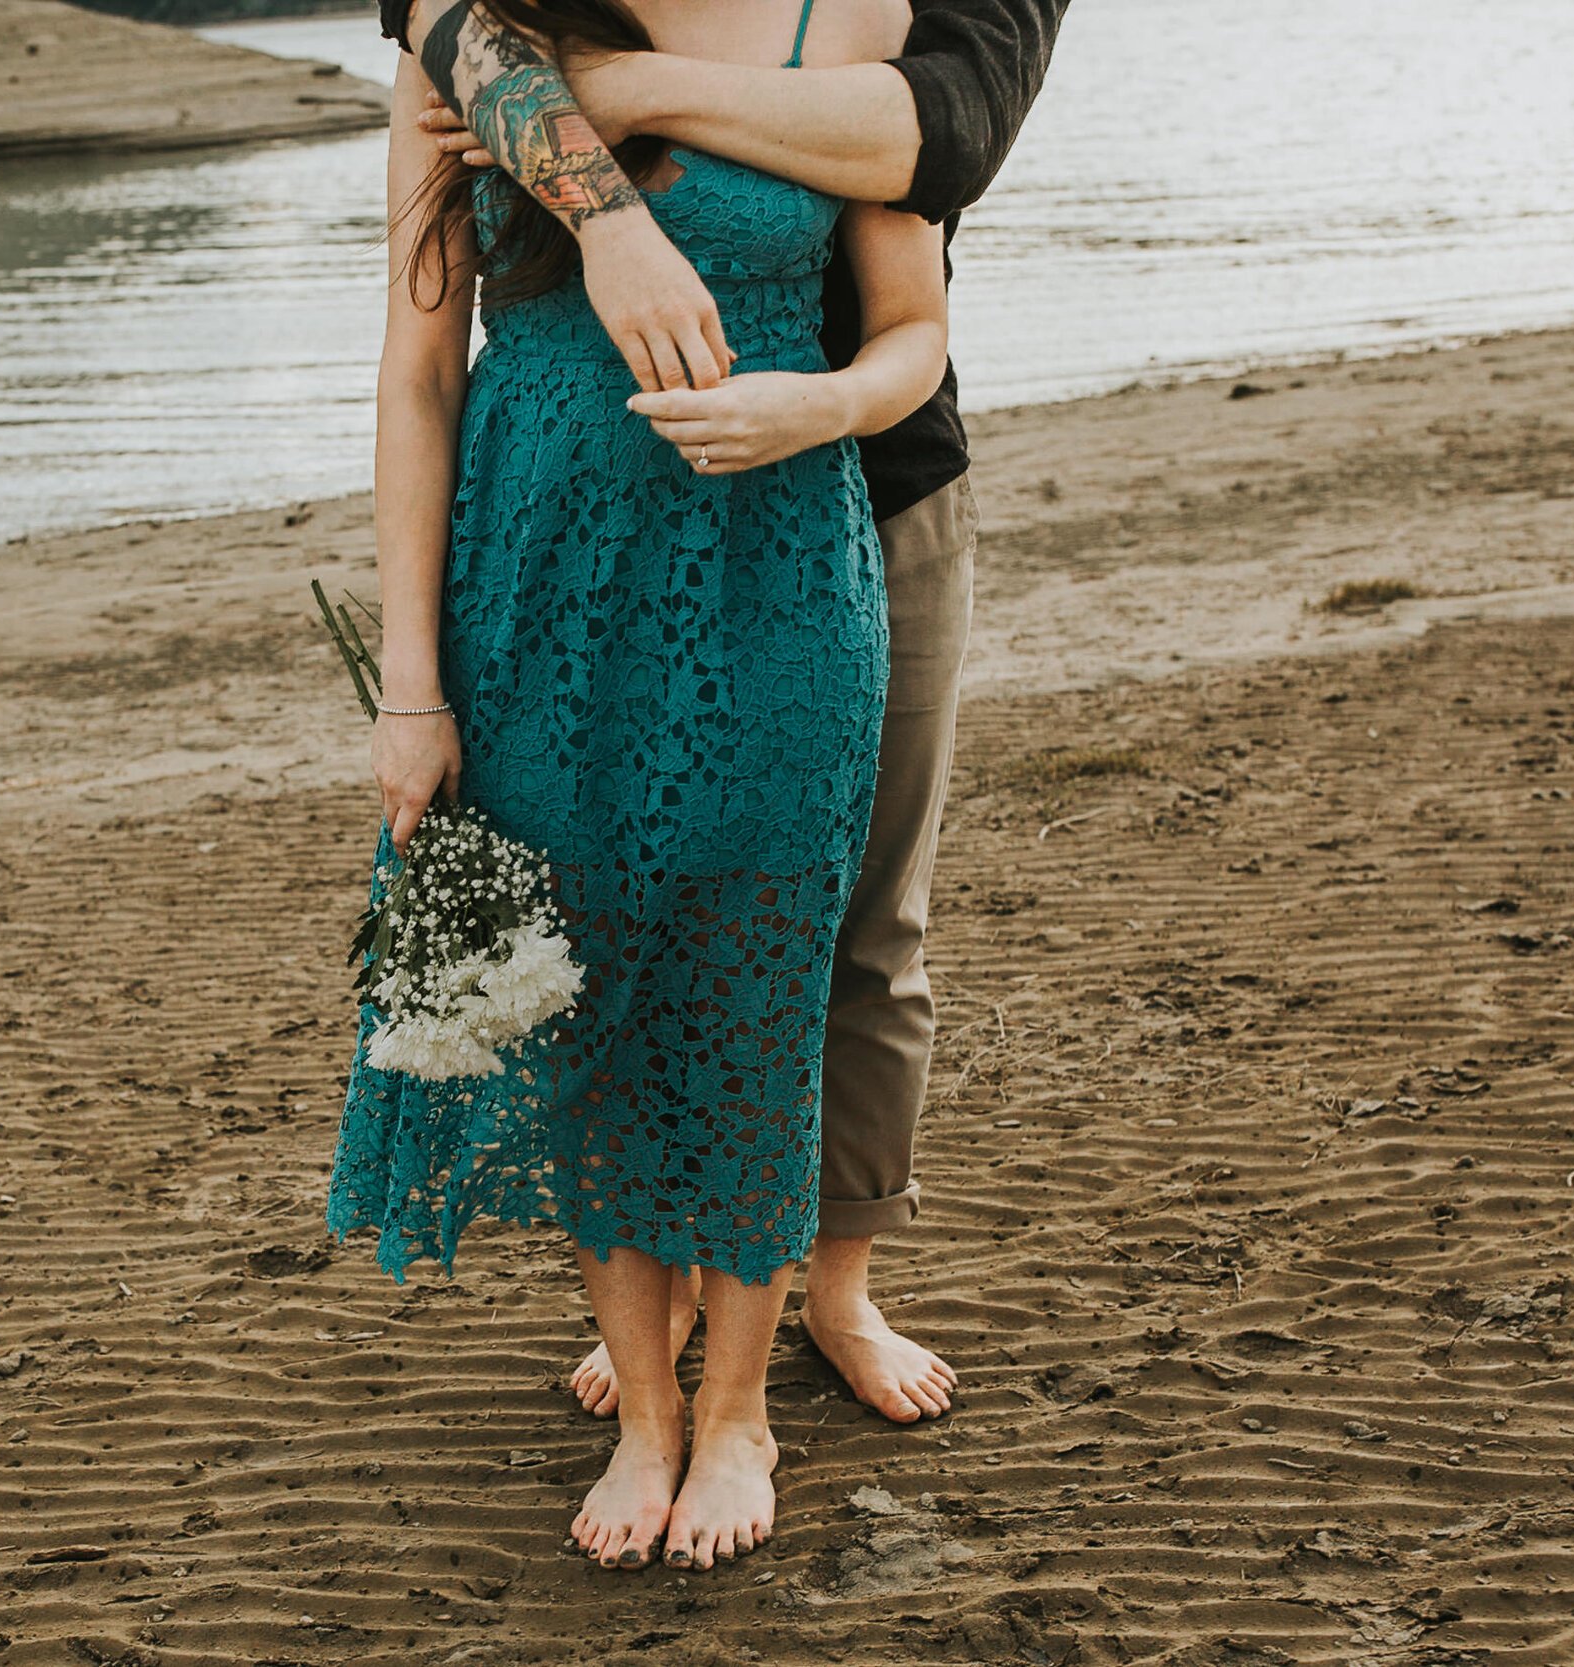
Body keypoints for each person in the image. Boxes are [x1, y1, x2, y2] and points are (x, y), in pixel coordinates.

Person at [382, 0, 1071, 1426]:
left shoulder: (872, 22)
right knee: (604, 933)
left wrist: (629, 93)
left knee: (849, 926)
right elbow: (420, 357)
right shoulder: (482, 38)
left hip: (851, 506)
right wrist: (410, 681)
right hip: (564, 554)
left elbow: (937, 135)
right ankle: (662, 1300)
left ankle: (835, 1289)